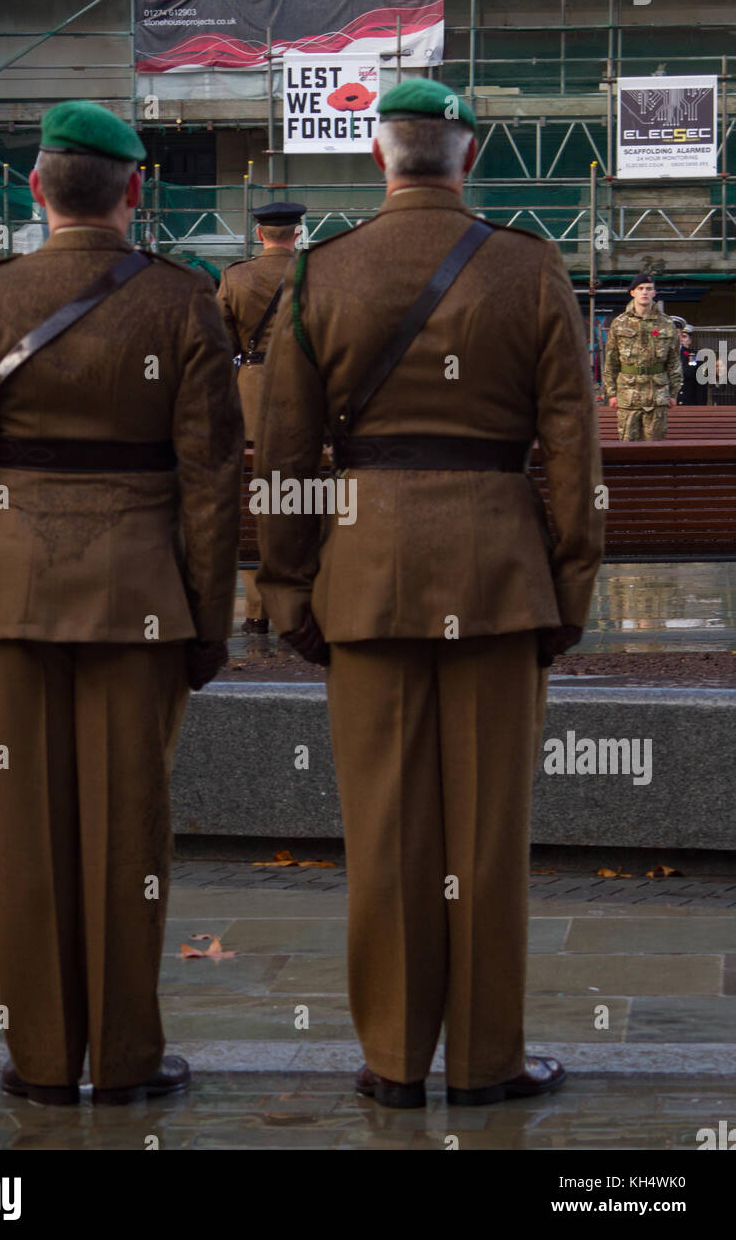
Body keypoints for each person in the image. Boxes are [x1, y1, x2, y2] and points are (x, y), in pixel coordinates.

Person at [254, 78, 604, 1109]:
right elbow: (574, 449)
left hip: (364, 572)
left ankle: (395, 1058)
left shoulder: (319, 273)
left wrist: (288, 586)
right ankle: (487, 1057)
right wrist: (569, 580)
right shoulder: (529, 270)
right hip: (497, 574)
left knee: (383, 827)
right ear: (469, 154)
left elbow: (282, 453)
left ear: (376, 159)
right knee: (488, 831)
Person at [0, 100, 244, 1106]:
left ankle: (45, 1060)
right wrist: (206, 617)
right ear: (134, 191)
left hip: (7, 591)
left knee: (25, 839)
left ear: (34, 186)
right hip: (138, 596)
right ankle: (127, 1057)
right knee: (130, 834)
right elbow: (212, 479)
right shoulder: (185, 302)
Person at [216, 201, 306, 634]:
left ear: (259, 235)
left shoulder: (236, 277)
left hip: (251, 393)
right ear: (298, 232)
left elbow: (219, 343)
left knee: (254, 499)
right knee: (303, 496)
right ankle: (297, 603)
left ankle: (256, 610)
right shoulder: (316, 272)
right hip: (303, 393)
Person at [603, 275, 681, 439]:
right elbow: (610, 361)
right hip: (628, 394)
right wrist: (611, 393)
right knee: (628, 446)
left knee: (655, 448)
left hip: (657, 394)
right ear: (632, 292)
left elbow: (674, 361)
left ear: (654, 293)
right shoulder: (620, 323)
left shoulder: (666, 323)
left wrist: (673, 394)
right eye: (640, 288)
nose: (644, 292)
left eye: (648, 288)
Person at [677, 327, 707, 406]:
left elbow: (702, 384)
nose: (680, 339)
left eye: (684, 336)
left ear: (690, 341)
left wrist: (701, 406)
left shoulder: (696, 356)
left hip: (689, 403)